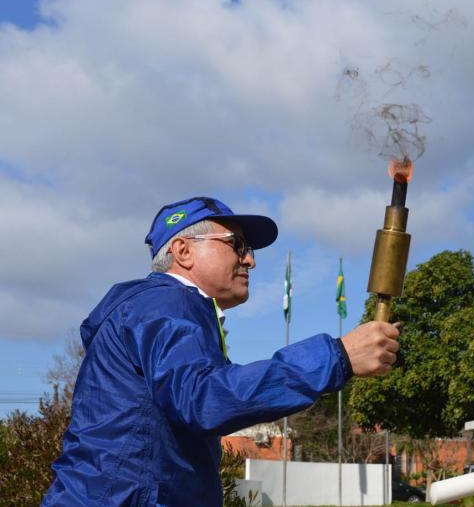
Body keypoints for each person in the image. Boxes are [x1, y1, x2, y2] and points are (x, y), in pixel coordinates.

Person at [43, 196, 400, 506]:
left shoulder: (160, 309)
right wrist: (337, 356)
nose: (250, 260)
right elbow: (203, 398)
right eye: (237, 244)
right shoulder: (167, 302)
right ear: (183, 251)